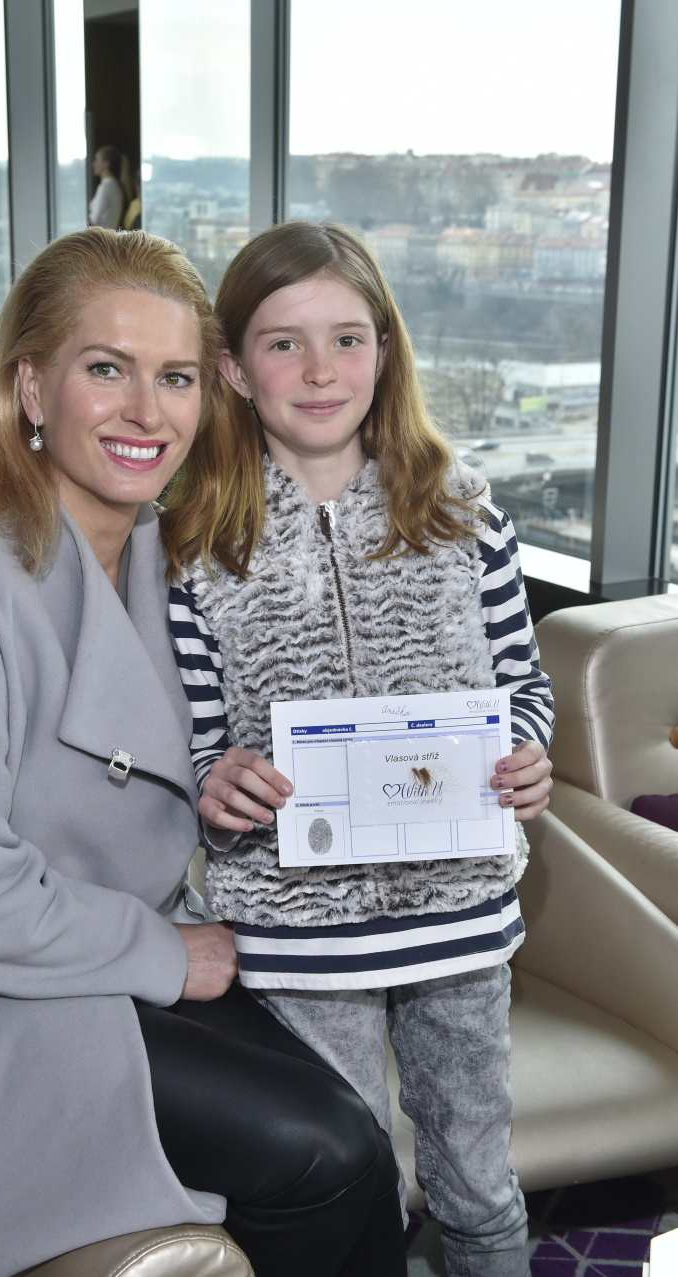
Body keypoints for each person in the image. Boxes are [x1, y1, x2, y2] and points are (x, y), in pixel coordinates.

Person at [0, 227, 405, 1277]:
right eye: (107, 369)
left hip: (106, 958)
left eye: (175, 376)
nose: (148, 411)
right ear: (30, 388)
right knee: (323, 1148)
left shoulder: (150, 550)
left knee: (359, 1131)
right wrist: (165, 953)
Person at [162, 220, 555, 1277]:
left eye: (346, 337)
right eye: (283, 343)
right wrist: (215, 782)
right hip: (296, 932)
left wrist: (525, 753)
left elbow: (523, 687)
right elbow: (194, 740)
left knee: (479, 1177)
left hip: (459, 917)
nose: (320, 369)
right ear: (233, 369)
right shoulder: (195, 540)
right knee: (351, 1184)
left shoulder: (465, 512)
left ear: (384, 348)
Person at [89, 144, 127, 229]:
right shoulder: (114, 185)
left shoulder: (106, 187)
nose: (94, 164)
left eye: (96, 160)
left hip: (100, 236)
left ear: (105, 164)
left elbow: (95, 220)